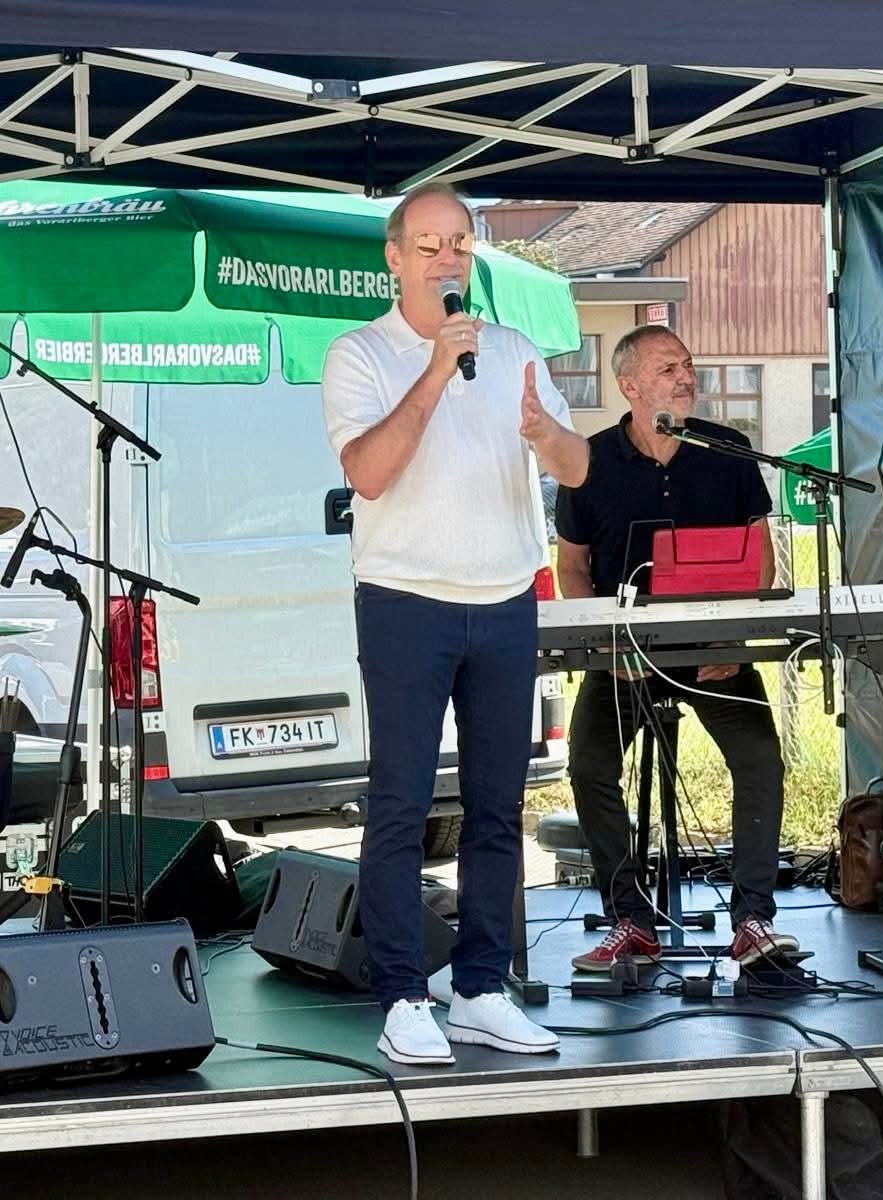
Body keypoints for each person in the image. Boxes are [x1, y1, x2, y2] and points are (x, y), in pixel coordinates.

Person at [322, 182, 589, 1066]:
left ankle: (479, 986)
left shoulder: (510, 349)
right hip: (406, 600)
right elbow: (368, 473)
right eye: (429, 245)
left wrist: (544, 433)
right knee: (401, 804)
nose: (447, 259)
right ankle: (403, 995)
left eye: (460, 245)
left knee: (497, 806)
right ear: (394, 258)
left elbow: (578, 467)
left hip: (505, 599)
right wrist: (435, 372)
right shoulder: (360, 355)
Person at [555, 325, 799, 972]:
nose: (686, 377)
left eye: (688, 365)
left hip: (715, 648)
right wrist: (605, 643)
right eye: (668, 368)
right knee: (589, 764)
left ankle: (753, 919)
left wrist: (734, 637)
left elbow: (760, 551)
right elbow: (572, 566)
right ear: (629, 385)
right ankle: (630, 920)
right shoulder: (588, 460)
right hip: (623, 654)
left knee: (760, 758)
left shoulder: (729, 449)